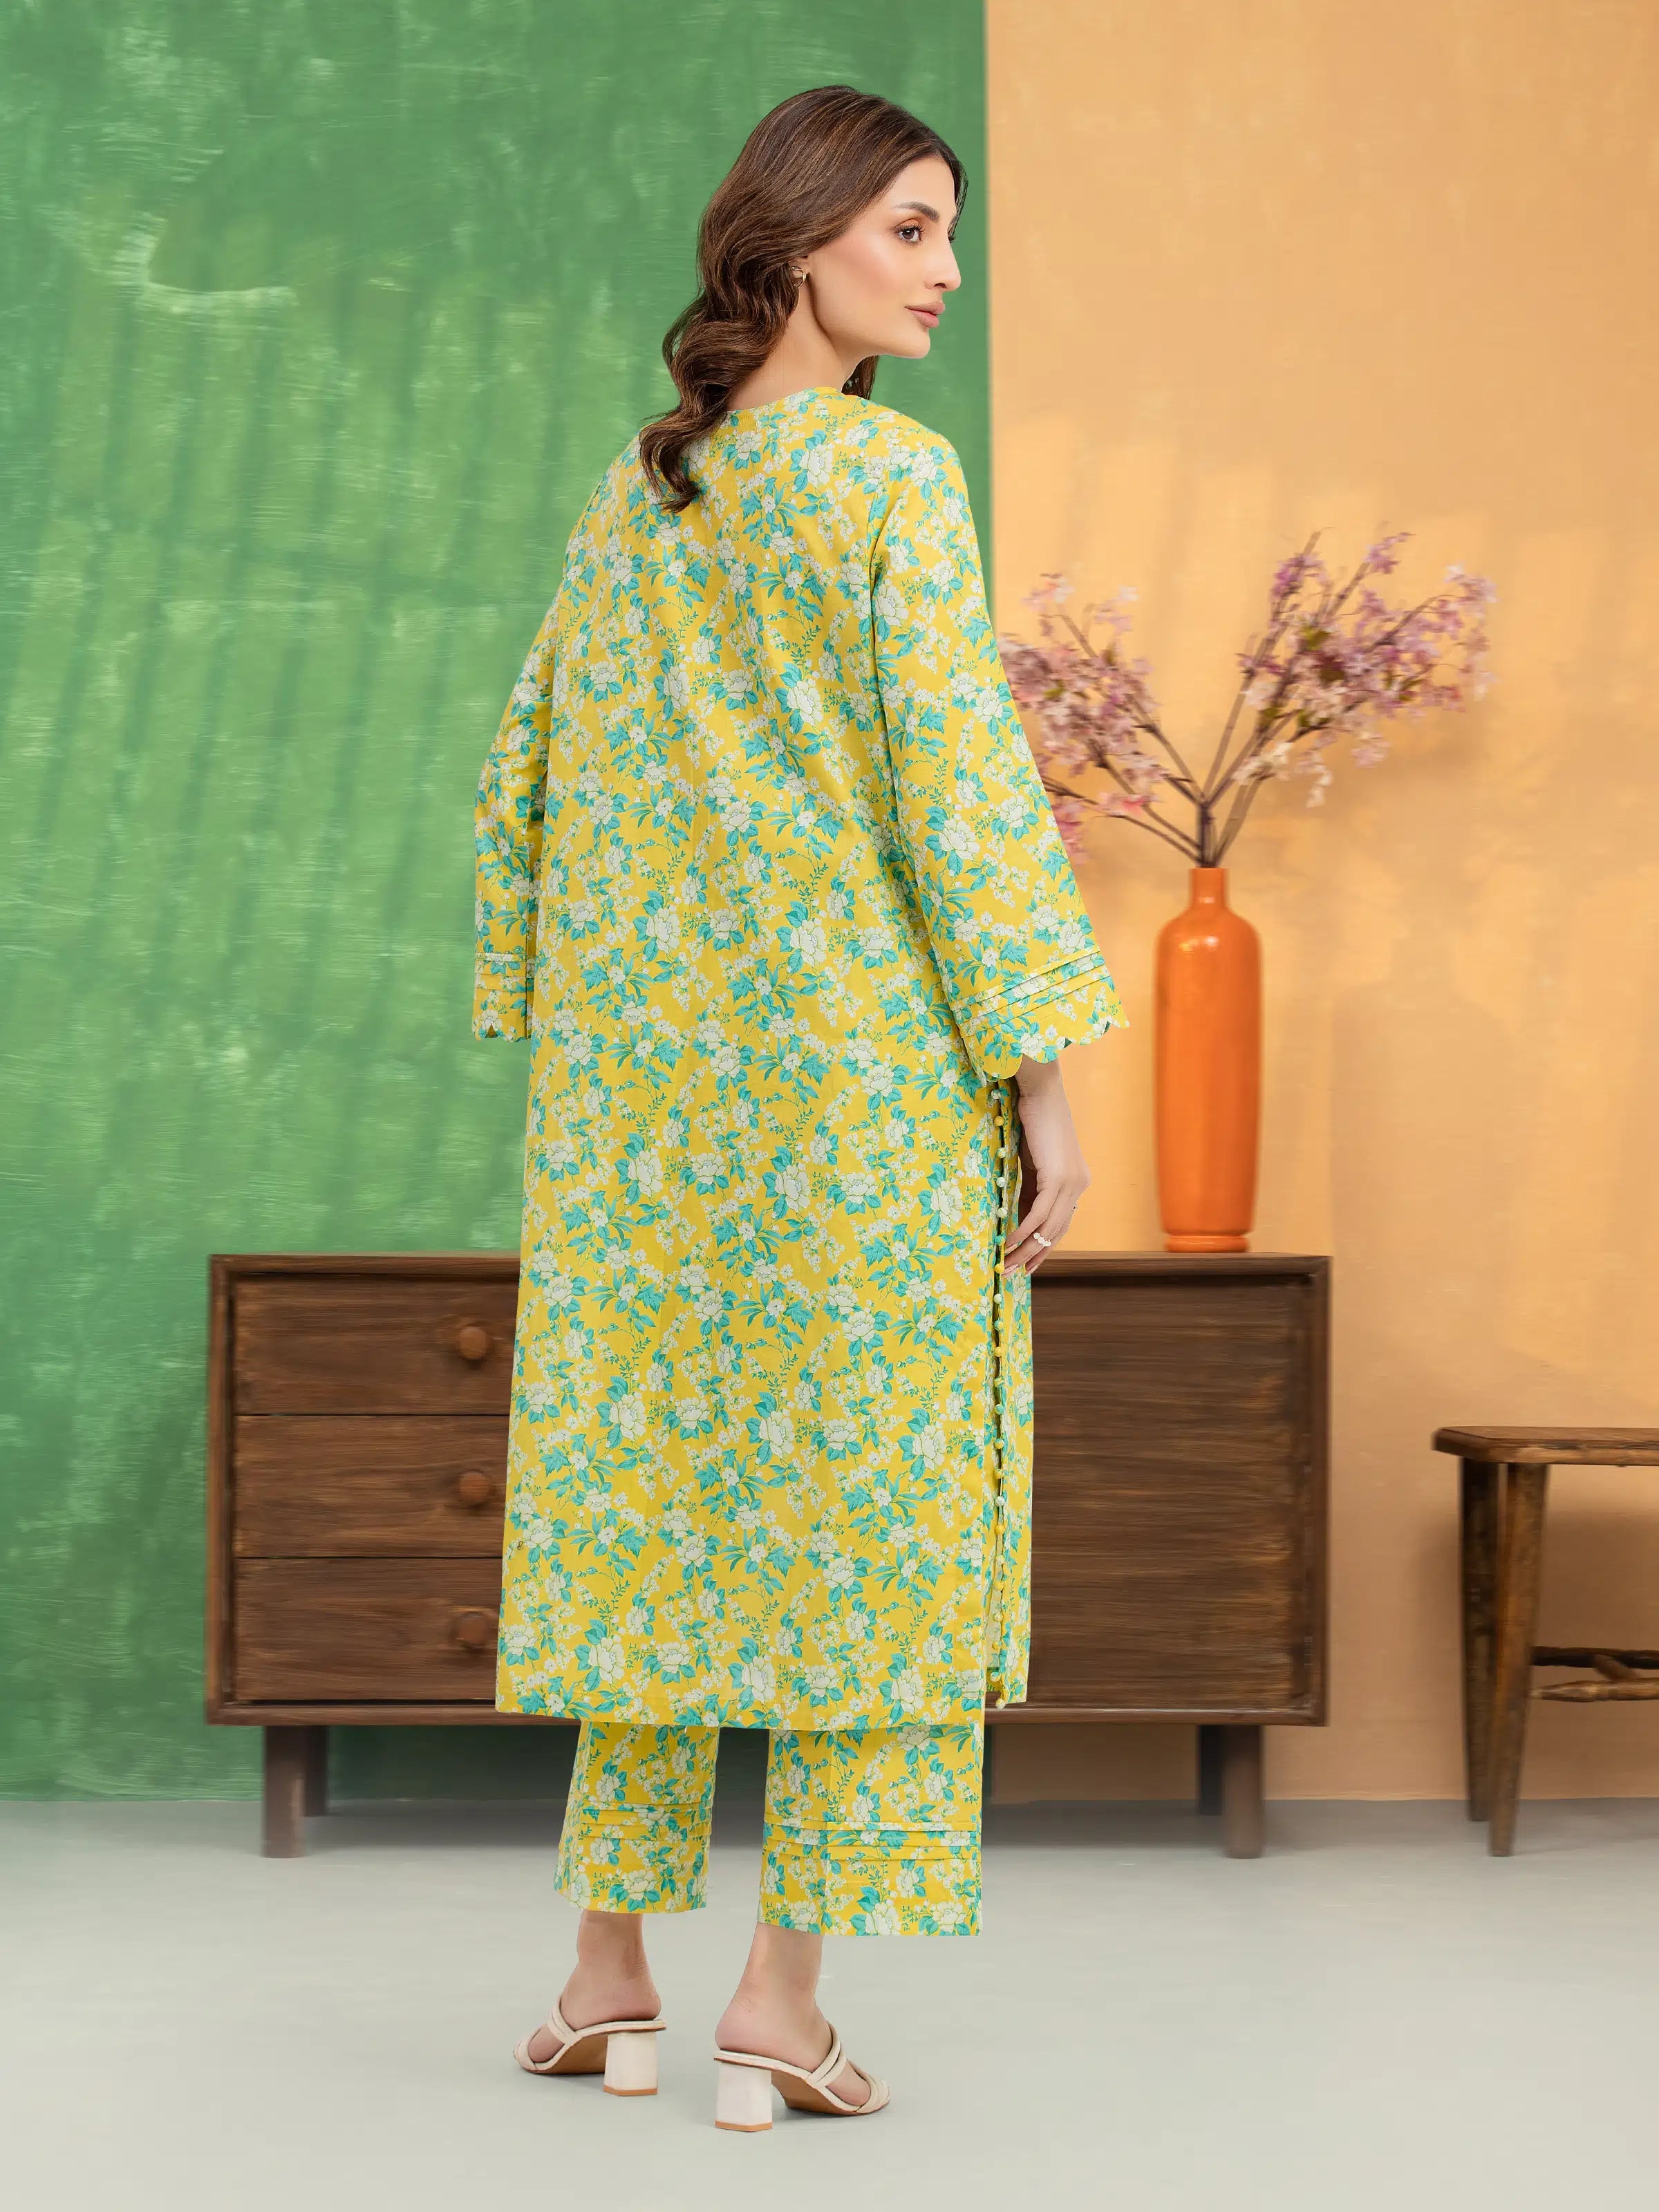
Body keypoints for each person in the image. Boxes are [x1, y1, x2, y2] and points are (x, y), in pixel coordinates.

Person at [471, 83, 1126, 2131]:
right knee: (872, 1529)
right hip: (860, 1103)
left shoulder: (637, 493)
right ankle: (776, 2004)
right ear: (802, 236)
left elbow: (528, 780)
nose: (948, 270)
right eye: (913, 230)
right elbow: (964, 800)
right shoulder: (892, 480)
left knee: (657, 1511)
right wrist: (1044, 1083)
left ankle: (606, 1979)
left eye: (951, 231)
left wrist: (566, 1020)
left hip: (645, 1116)